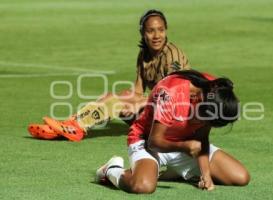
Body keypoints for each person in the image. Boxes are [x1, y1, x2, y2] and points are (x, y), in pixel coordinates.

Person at [28, 9, 191, 141]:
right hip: (158, 111)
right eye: (151, 31)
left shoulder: (172, 55)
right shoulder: (144, 54)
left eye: (161, 30)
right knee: (113, 97)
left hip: (175, 120)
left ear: (166, 30)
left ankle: (74, 126)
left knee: (119, 103)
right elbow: (137, 92)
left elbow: (171, 95)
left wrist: (138, 105)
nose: (157, 36)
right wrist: (114, 99)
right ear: (143, 33)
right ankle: (70, 125)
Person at [95, 70, 250, 193]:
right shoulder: (169, 93)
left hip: (185, 145)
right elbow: (154, 142)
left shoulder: (214, 92)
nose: (203, 123)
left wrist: (206, 175)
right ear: (200, 99)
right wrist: (184, 146)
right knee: (142, 186)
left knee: (241, 177)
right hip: (148, 142)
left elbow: (201, 138)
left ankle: (176, 171)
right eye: (204, 119)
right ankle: (111, 169)